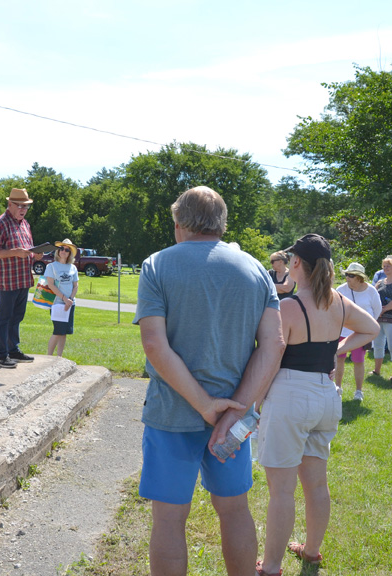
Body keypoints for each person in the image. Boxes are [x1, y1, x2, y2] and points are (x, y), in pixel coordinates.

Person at [134, 186, 283, 576]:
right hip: (232, 420)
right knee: (234, 510)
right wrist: (235, 411)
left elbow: (154, 344)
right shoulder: (255, 269)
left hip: (171, 413)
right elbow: (274, 344)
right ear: (222, 224)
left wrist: (204, 405)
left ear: (178, 223)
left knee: (169, 518)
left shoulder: (157, 265)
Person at [256, 234, 379, 576]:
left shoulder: (289, 306)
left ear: (296, 263)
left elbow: (270, 359)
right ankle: (311, 551)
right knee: (316, 483)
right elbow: (371, 328)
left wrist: (254, 404)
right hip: (326, 396)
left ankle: (271, 566)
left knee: (282, 490)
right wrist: (337, 349)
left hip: (291, 396)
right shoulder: (338, 301)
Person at [0, 188, 44, 369]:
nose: (23, 209)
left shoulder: (25, 224)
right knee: (4, 318)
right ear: (10, 204)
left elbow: (27, 249)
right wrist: (15, 252)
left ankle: (13, 350)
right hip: (7, 280)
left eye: (26, 206)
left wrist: (36, 254)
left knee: (17, 317)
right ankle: (1, 355)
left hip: (23, 278)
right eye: (20, 206)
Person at [335, 262, 381, 401]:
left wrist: (366, 327)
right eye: (347, 275)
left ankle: (358, 392)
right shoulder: (340, 289)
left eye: (351, 275)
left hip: (361, 333)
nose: (347, 278)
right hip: (341, 331)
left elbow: (377, 310)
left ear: (359, 278)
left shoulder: (371, 291)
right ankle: (337, 388)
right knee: (339, 359)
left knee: (358, 361)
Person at [45, 238, 79, 357]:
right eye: (61, 249)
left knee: (64, 332)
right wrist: (64, 299)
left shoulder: (73, 268)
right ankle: (49, 357)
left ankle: (59, 357)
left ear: (70, 253)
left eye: (67, 250)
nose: (63, 251)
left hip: (70, 304)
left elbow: (75, 285)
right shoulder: (51, 266)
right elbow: (51, 285)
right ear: (58, 251)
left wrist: (70, 300)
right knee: (58, 331)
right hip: (57, 303)